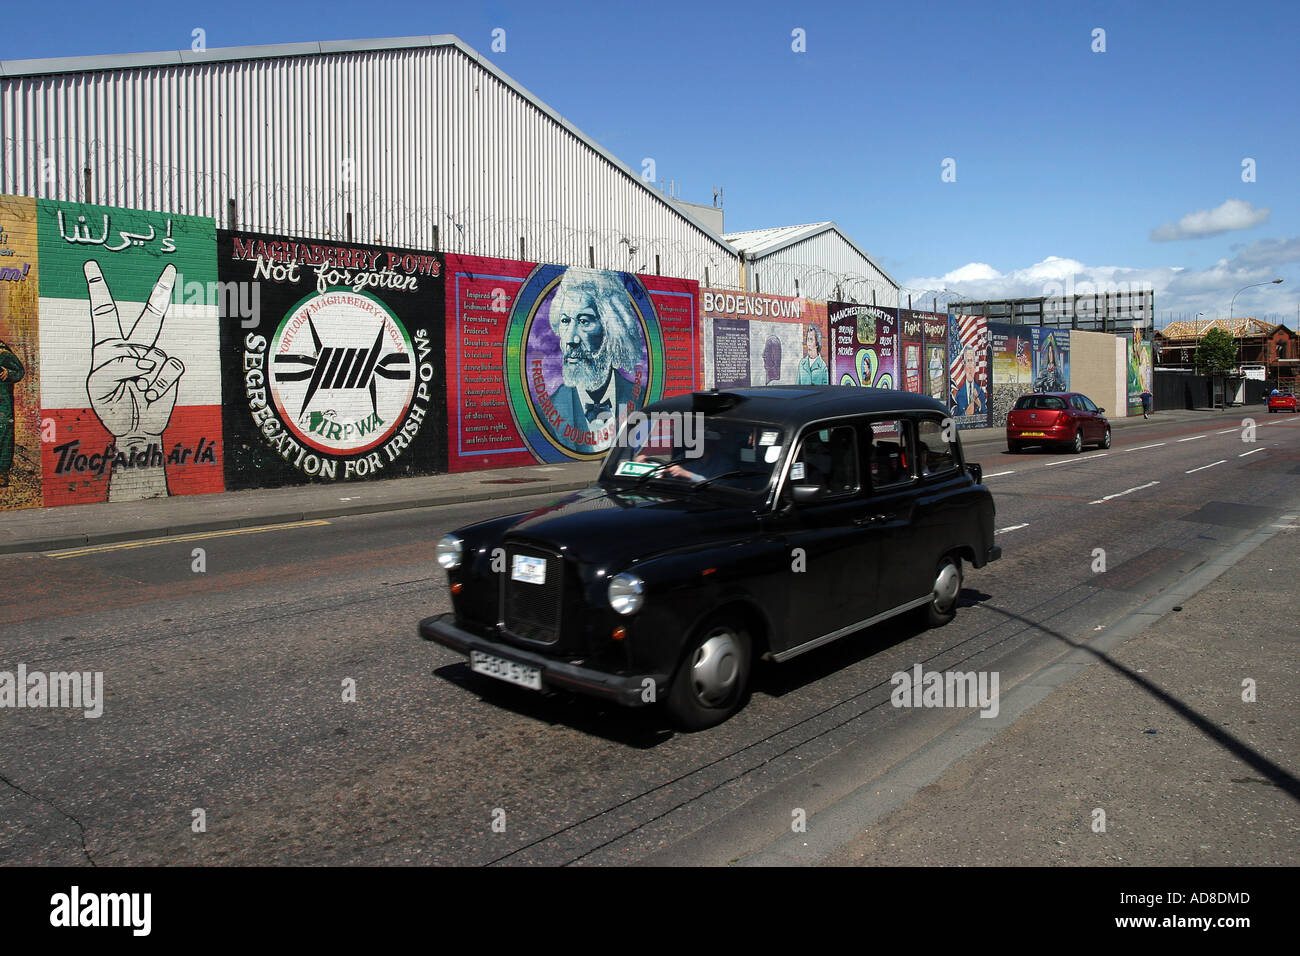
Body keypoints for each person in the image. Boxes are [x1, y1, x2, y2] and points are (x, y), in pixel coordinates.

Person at [545, 270, 643, 453]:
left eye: (584, 321)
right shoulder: (547, 412)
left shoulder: (641, 401)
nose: (571, 339)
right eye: (566, 321)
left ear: (612, 330)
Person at [0, 338, 24, 489]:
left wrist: (8, 373)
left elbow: (19, 372)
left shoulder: (3, 354)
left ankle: (2, 473)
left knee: (4, 438)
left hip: (3, 407)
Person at [952, 344, 986, 417]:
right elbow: (956, 414)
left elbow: (986, 412)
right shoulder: (959, 393)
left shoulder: (980, 391)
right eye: (968, 361)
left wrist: (978, 402)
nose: (970, 366)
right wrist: (966, 413)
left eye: (972, 361)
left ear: (975, 366)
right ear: (964, 365)